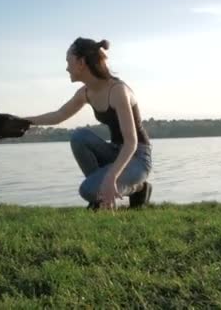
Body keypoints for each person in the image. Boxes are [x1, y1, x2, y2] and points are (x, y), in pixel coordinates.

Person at [24, 37, 152, 210]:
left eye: (69, 61)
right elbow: (58, 115)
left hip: (137, 157)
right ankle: (100, 196)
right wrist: (22, 121)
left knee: (86, 190)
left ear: (81, 62)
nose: (67, 68)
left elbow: (131, 143)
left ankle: (139, 188)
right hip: (115, 151)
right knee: (79, 137)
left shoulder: (117, 91)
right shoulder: (86, 92)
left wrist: (111, 177)